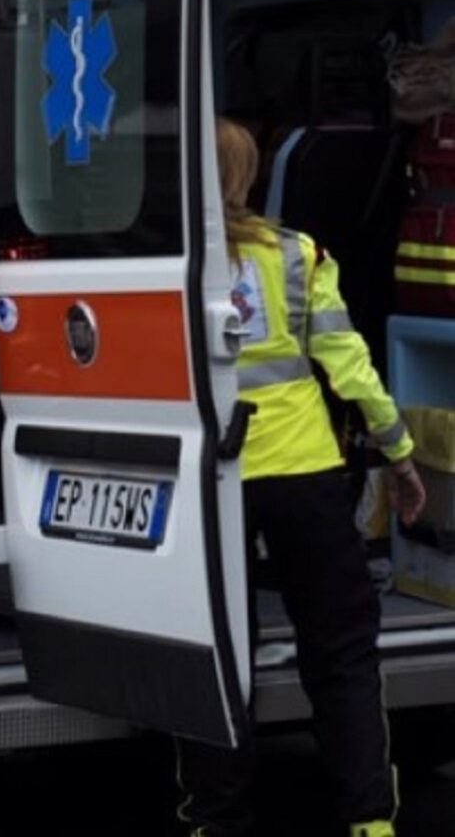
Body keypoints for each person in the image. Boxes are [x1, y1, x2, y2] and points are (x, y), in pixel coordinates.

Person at [176, 119, 428, 837]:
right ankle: (368, 819)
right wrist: (398, 449)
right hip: (305, 471)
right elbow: (346, 363)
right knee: (341, 649)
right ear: (248, 176)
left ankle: (217, 819)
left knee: (218, 648)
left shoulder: (170, 262)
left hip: (212, 478)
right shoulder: (298, 254)